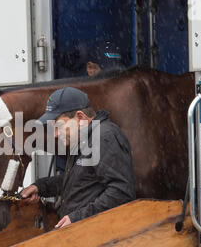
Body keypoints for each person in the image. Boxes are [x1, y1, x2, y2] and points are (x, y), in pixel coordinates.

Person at [20, 87, 136, 228]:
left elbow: (121, 192)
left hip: (96, 238)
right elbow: (78, 181)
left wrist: (77, 218)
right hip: (80, 234)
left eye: (58, 126)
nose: (55, 134)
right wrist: (40, 187)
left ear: (80, 117)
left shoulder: (104, 137)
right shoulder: (83, 140)